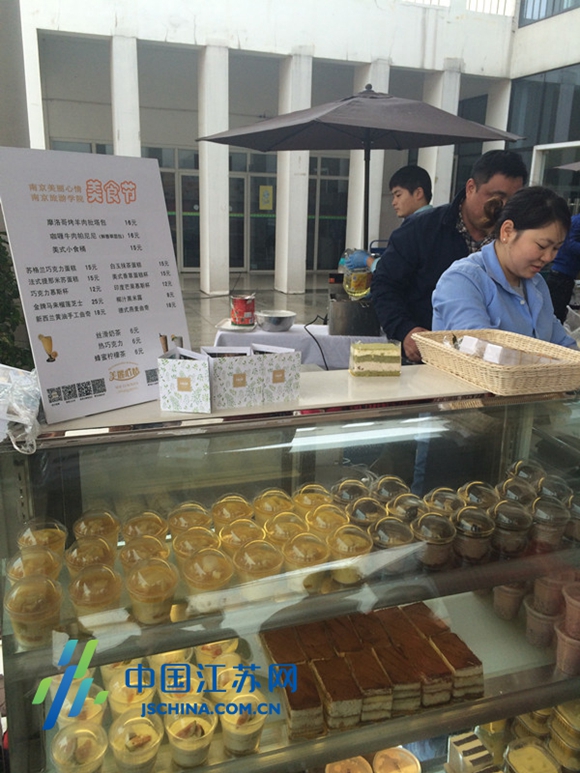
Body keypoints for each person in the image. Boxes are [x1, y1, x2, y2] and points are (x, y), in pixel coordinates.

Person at [371, 150, 528, 362]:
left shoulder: (516, 240)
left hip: (495, 362)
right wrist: (405, 330)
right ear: (471, 188)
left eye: (512, 200)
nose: (503, 208)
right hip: (426, 357)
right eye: (497, 197)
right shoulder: (422, 230)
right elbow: (384, 285)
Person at [431, 186, 575, 348]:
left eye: (556, 248)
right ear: (507, 232)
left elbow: (561, 343)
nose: (548, 257)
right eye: (541, 246)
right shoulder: (462, 280)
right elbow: (477, 349)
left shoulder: (537, 284)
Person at [344, 165, 433, 273]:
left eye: (398, 195)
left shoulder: (410, 231)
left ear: (418, 193)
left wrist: (367, 260)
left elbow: (391, 271)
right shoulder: (441, 225)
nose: (393, 202)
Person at [543, 213, 580, 323]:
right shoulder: (577, 222)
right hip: (562, 275)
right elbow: (569, 244)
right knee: (555, 313)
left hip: (565, 274)